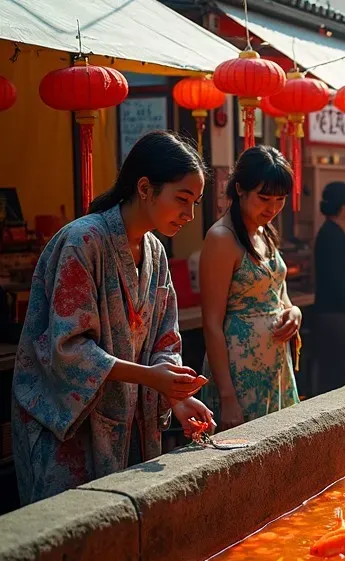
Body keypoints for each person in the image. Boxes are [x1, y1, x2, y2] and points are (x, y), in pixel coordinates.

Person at [12, 130, 213, 503]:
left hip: (128, 418)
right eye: (182, 199)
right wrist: (151, 379)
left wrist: (175, 396)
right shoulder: (82, 242)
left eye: (196, 202)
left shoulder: (154, 251)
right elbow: (68, 349)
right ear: (145, 188)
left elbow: (165, 339)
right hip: (71, 427)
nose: (189, 215)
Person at [200, 146, 300, 430]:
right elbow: (211, 324)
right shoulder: (222, 237)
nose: (272, 208)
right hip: (239, 370)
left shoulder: (265, 231)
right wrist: (227, 395)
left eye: (280, 199)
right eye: (264, 198)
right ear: (240, 189)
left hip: (275, 364)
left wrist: (294, 311)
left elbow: (279, 293)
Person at [313, 181, 345, 392]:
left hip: (327, 310)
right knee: (337, 374)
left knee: (332, 371)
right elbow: (340, 280)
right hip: (336, 314)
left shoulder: (327, 231)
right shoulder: (334, 234)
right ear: (343, 206)